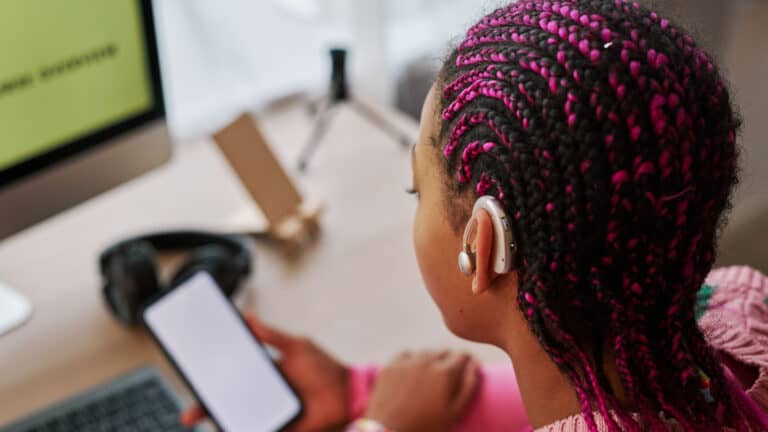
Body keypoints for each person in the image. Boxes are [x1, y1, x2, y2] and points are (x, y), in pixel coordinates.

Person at [183, 0, 768, 430]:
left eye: (418, 191)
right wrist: (360, 392)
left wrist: (379, 427)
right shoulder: (739, 311)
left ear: (482, 244)